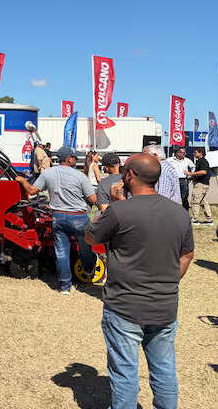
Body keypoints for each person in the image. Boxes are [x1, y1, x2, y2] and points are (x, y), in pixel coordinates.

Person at [85, 153, 194, 409]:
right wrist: (167, 281)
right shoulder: (179, 213)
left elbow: (91, 237)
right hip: (165, 305)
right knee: (164, 368)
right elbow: (187, 254)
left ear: (130, 176)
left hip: (124, 306)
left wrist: (112, 206)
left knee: (124, 371)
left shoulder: (119, 210)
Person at [15, 145, 97, 295]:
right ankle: (89, 271)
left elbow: (32, 190)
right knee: (86, 248)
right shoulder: (80, 176)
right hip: (79, 216)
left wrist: (21, 180)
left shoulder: (48, 174)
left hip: (58, 217)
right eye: (74, 157)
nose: (75, 159)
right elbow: (93, 198)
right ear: (68, 159)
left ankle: (65, 287)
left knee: (61, 252)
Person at [185, 148, 212, 225]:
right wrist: (192, 178)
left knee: (195, 202)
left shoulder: (202, 161)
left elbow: (204, 172)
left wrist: (191, 174)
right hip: (204, 184)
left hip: (200, 185)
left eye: (195, 152)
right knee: (203, 202)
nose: (194, 153)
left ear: (200, 153)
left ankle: (195, 219)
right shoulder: (201, 161)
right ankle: (209, 219)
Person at [166, 147, 194, 212]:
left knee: (184, 197)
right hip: (172, 180)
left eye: (184, 152)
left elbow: (193, 167)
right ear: (178, 153)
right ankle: (171, 212)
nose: (184, 154)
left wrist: (191, 175)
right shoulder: (169, 160)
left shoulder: (187, 160)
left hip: (183, 180)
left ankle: (185, 212)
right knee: (172, 196)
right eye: (183, 153)